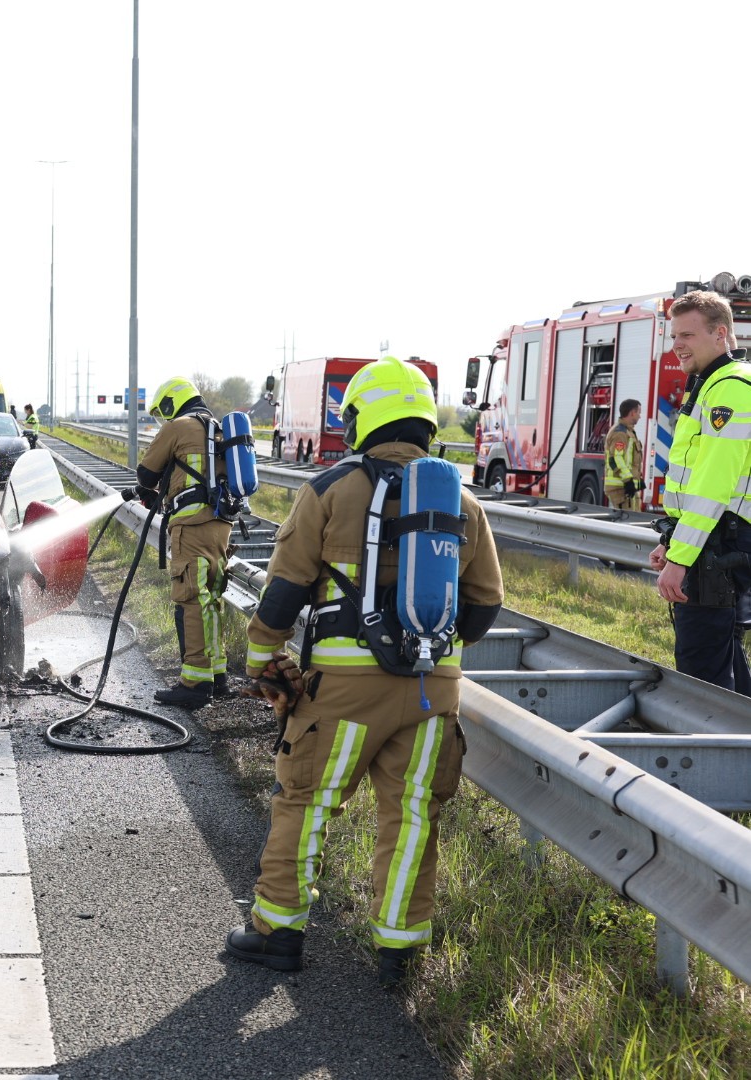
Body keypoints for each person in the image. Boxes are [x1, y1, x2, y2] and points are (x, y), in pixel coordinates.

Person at [226, 357, 503, 987]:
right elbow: (484, 609)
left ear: (362, 418)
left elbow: (284, 591)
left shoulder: (329, 489)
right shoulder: (463, 501)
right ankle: (399, 950)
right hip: (435, 693)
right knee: (411, 815)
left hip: (343, 694)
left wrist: (261, 655)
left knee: (308, 800)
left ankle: (278, 933)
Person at [649, 290, 751, 695]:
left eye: (687, 335)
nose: (677, 345)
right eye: (675, 336)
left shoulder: (730, 389)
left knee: (702, 674)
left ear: (720, 333)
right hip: (713, 543)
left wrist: (681, 556)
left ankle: (710, 754)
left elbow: (713, 485)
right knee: (724, 664)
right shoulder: (710, 385)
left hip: (717, 548)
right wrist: (672, 539)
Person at [133, 376, 234, 706]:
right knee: (212, 598)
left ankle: (193, 685)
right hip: (221, 525)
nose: (163, 418)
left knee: (190, 598)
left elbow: (146, 474)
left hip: (191, 526)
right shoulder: (217, 428)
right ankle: (217, 677)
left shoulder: (178, 426)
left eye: (162, 411)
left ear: (171, 402)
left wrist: (153, 486)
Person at [604, 398, 644, 510]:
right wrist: (628, 480)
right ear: (632, 413)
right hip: (621, 487)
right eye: (639, 412)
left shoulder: (628, 432)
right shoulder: (620, 434)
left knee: (634, 520)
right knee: (627, 522)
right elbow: (617, 459)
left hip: (626, 486)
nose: (640, 416)